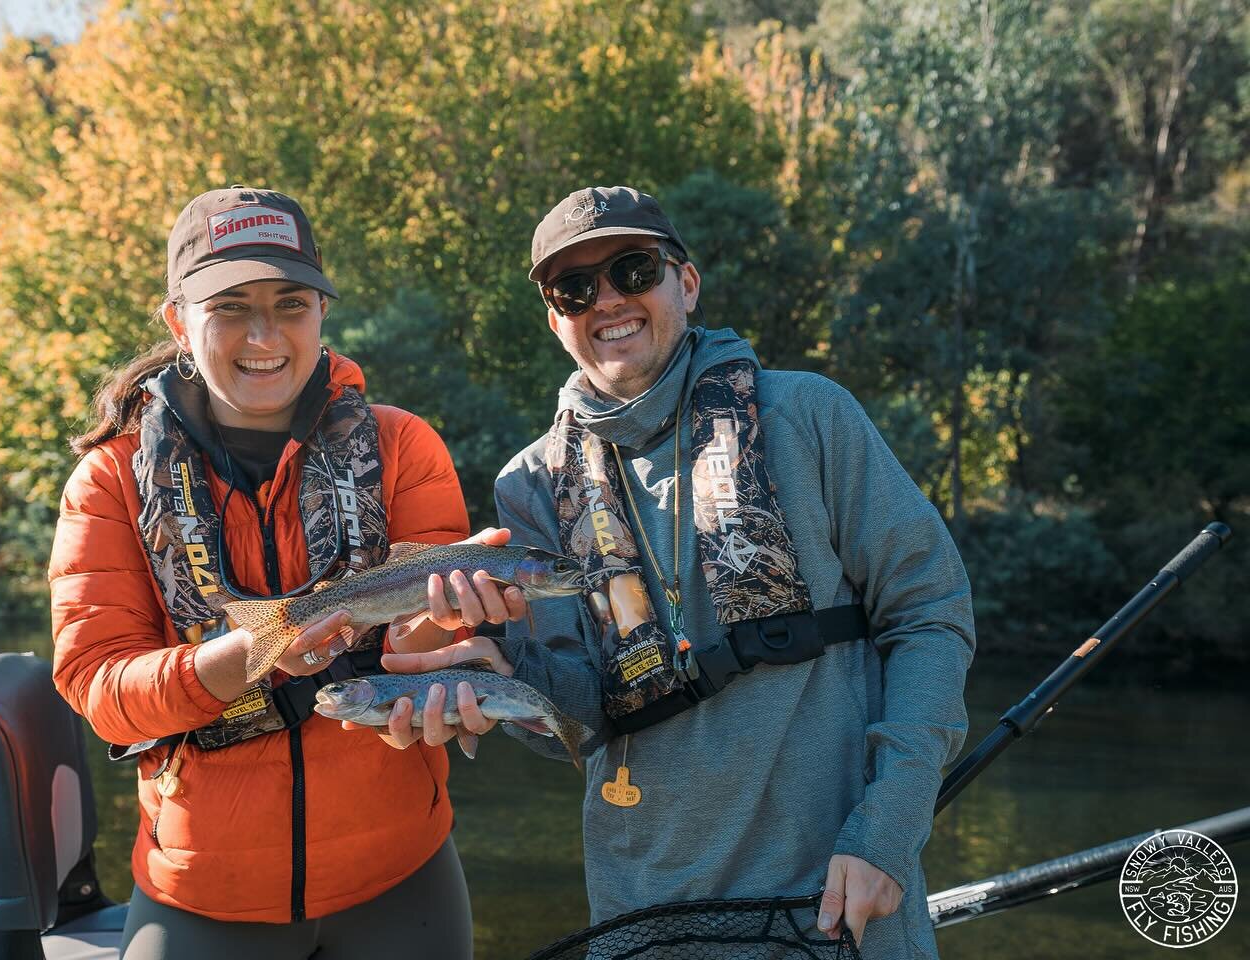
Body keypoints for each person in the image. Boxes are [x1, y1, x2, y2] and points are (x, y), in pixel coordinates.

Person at [377, 186, 975, 959]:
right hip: (643, 915)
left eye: (633, 270)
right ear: (554, 318)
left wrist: (888, 829)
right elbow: (577, 718)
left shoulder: (810, 416)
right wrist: (497, 675)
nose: (608, 301)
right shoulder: (529, 486)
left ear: (684, 283)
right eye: (575, 288)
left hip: (835, 901)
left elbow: (931, 614)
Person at [48, 185, 521, 959]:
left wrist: (456, 624)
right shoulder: (110, 479)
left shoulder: (405, 446)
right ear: (178, 320)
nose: (263, 333)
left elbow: (419, 643)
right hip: (204, 888)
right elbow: (100, 693)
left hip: (402, 870)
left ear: (321, 314)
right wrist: (254, 652)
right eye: (230, 305)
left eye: (290, 302)